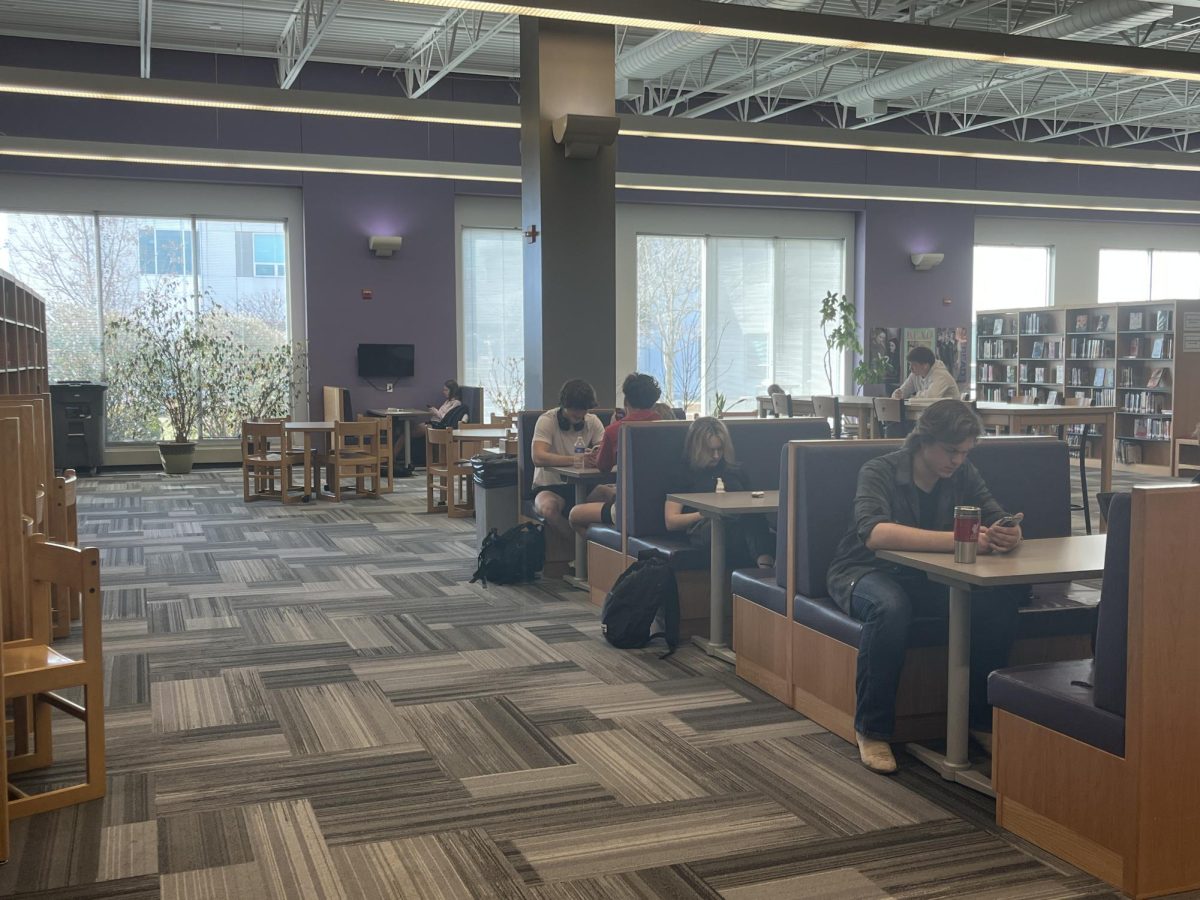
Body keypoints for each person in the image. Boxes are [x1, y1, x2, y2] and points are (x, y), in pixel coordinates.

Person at [825, 399, 1025, 775]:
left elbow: (998, 514)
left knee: (996, 604)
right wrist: (959, 540)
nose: (957, 461)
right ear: (924, 440)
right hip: (863, 570)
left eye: (965, 453)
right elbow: (875, 534)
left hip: (924, 576)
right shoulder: (880, 470)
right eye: (951, 451)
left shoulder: (963, 475)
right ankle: (872, 729)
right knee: (890, 609)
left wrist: (1009, 533)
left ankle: (979, 721)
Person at [664, 417, 774, 569]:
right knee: (726, 526)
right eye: (710, 450)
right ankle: (764, 564)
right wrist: (707, 513)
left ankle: (765, 568)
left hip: (739, 523)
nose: (716, 456)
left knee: (754, 517)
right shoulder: (684, 474)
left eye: (720, 449)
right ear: (696, 448)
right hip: (703, 527)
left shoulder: (735, 471)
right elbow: (671, 521)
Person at [568, 373, 662, 535]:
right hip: (663, 507)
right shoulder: (668, 426)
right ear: (653, 401)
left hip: (628, 510)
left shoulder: (616, 430)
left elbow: (603, 467)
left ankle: (595, 557)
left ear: (626, 401)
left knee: (574, 515)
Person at [531, 380, 606, 541]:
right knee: (548, 509)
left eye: (583, 411)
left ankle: (599, 552)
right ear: (564, 405)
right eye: (574, 411)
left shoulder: (593, 421)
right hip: (549, 487)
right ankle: (580, 551)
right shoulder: (547, 421)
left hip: (585, 487)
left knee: (615, 496)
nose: (579, 415)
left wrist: (595, 455)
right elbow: (538, 457)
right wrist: (576, 460)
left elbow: (604, 450)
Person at [892, 346, 960, 402]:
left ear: (925, 365)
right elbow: (902, 392)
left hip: (950, 415)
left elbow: (931, 397)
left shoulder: (941, 374)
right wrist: (897, 394)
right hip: (931, 414)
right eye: (910, 364)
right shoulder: (915, 374)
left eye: (914, 365)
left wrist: (912, 397)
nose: (910, 368)